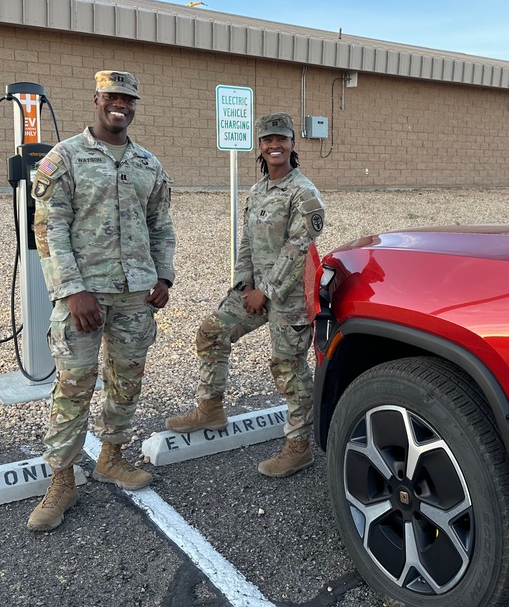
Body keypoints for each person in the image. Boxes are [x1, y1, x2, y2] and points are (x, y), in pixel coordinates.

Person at [26, 70, 176, 532]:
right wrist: (72, 290)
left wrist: (164, 276)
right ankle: (62, 480)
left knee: (126, 381)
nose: (121, 105)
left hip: (136, 296)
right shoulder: (65, 158)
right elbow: (48, 230)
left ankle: (112, 456)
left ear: (135, 105)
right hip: (83, 297)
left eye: (128, 99)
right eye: (112, 97)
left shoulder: (148, 164)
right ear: (96, 99)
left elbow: (161, 226)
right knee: (73, 387)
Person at [165, 112, 325, 478]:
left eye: (281, 139)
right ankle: (210, 408)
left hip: (290, 298)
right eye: (268, 140)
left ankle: (299, 447)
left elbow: (298, 247)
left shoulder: (304, 192)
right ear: (260, 146)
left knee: (288, 368)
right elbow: (247, 243)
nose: (274, 145)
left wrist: (266, 292)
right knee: (211, 332)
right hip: (255, 292)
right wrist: (244, 285)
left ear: (292, 144)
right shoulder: (258, 191)